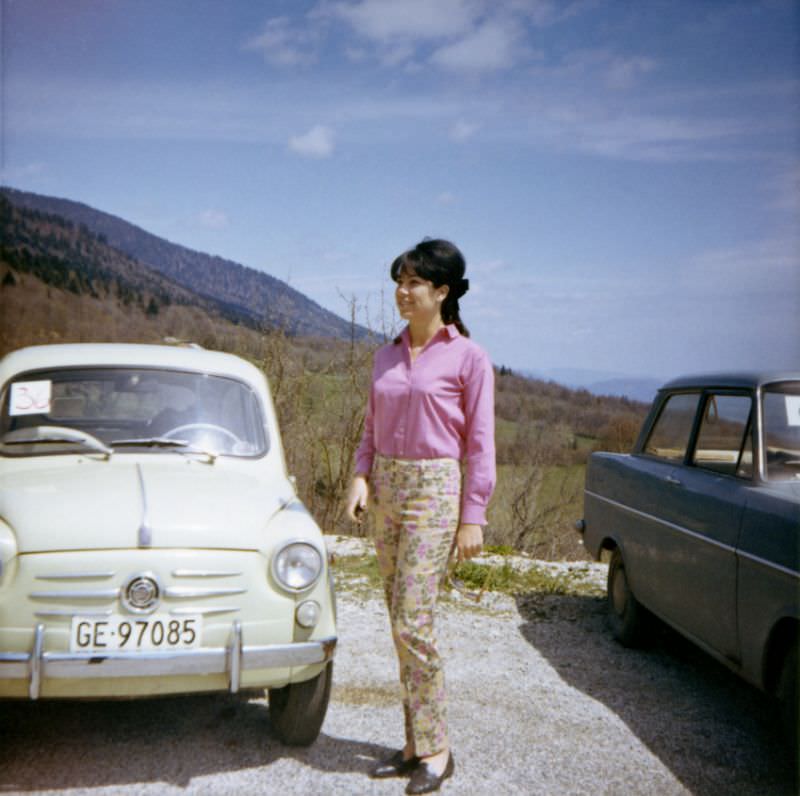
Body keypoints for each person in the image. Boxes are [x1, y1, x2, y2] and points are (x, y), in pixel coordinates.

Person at [346, 238, 496, 794]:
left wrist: (471, 515)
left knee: (415, 620)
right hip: (386, 485)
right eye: (399, 281)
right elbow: (370, 425)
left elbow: (480, 443)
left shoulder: (469, 359)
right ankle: (413, 744)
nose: (401, 292)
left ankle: (437, 749)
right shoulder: (385, 355)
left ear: (443, 291)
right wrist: (361, 476)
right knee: (397, 621)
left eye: (413, 283)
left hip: (436, 490)